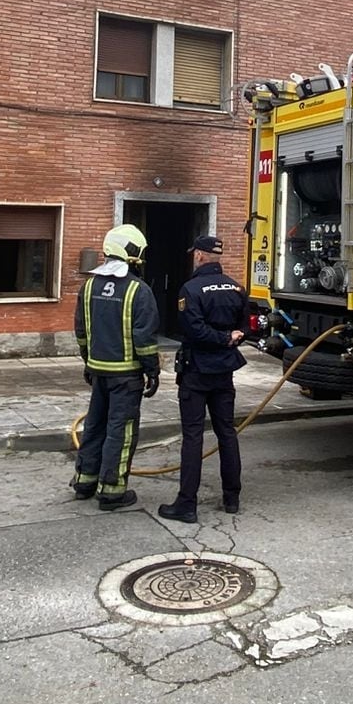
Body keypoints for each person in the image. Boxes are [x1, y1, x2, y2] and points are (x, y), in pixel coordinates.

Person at [160, 234, 247, 524]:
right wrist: (228, 338)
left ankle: (187, 504)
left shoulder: (191, 288)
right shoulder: (236, 288)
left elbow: (193, 330)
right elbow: (243, 328)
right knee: (227, 433)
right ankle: (232, 498)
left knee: (193, 436)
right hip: (224, 371)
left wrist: (221, 338)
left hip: (197, 371)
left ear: (199, 255)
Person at [71, 224, 160, 510]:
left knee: (94, 425)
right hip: (126, 376)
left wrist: (88, 362)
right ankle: (111, 490)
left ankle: (85, 480)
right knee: (120, 431)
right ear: (133, 253)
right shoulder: (139, 290)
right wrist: (152, 370)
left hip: (98, 371)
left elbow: (81, 331)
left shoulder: (88, 286)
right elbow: (144, 338)